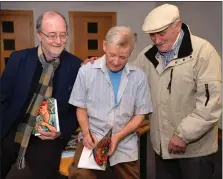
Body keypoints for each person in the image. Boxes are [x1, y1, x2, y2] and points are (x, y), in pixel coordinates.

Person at [135, 3, 222, 179]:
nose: (157, 40)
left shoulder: (203, 53)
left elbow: (210, 104)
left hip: (196, 153)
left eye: (162, 33)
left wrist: (183, 135)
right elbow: (129, 79)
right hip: (162, 151)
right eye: (152, 35)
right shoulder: (146, 56)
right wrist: (100, 64)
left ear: (178, 25)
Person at [0, 11, 82, 179]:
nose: (58, 41)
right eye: (52, 35)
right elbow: (3, 97)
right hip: (14, 126)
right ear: (39, 35)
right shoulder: (19, 59)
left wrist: (61, 132)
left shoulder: (76, 66)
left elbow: (76, 108)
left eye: (62, 35)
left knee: (47, 172)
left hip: (48, 135)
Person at [68, 26, 152, 179]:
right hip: (92, 139)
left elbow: (140, 114)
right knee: (81, 176)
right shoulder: (86, 71)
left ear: (130, 53)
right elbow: (81, 107)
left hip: (125, 142)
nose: (116, 61)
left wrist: (117, 137)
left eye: (123, 57)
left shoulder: (138, 76)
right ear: (104, 46)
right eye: (112, 55)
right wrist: (86, 133)